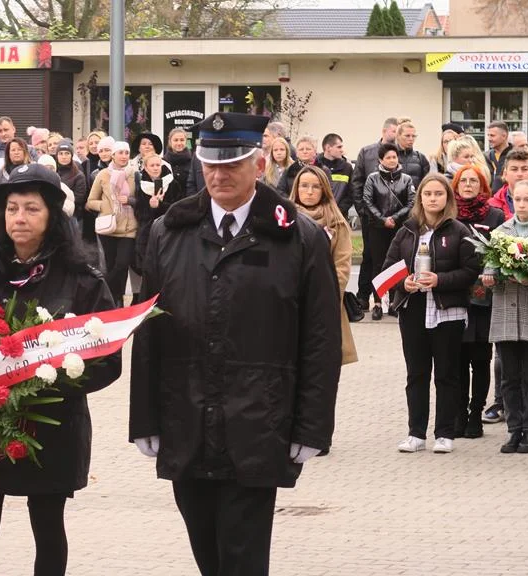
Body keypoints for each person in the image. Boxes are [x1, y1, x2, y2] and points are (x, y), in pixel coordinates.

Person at [131, 112, 340, 576]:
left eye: (233, 164)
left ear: (260, 163)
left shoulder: (297, 237)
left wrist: (312, 426)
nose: (219, 175)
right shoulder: (171, 230)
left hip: (260, 421)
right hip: (186, 416)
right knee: (207, 552)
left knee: (242, 558)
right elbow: (148, 328)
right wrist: (144, 416)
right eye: (211, 165)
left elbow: (320, 340)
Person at [0, 163, 121, 576]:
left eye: (32, 209)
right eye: (12, 209)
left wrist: (50, 381)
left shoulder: (83, 280)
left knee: (47, 524)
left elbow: (108, 360)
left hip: (53, 425)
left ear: (53, 217)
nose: (19, 218)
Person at [383, 174, 480, 454]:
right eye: (428, 194)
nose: (433, 198)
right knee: (417, 374)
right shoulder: (407, 231)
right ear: (420, 198)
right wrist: (404, 283)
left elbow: (470, 271)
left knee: (447, 375)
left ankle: (445, 434)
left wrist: (440, 280)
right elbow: (389, 267)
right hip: (413, 310)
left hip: (446, 312)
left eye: (439, 193)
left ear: (447, 198)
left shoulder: (459, 231)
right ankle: (416, 434)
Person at [481, 180, 528, 454]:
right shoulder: (500, 232)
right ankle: (513, 430)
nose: (521, 204)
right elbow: (490, 267)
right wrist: (488, 278)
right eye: (517, 199)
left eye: (527, 200)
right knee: (508, 376)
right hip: (506, 312)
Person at [452, 165, 505, 439]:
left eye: (474, 181)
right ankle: (459, 413)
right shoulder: (449, 215)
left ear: (483, 186)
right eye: (464, 181)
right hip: (454, 296)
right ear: (456, 185)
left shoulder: (494, 215)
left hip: (482, 299)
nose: (469, 185)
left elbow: (497, 253)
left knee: (480, 358)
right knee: (457, 359)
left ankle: (476, 414)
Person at [290, 165, 358, 370]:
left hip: (323, 306)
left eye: (315, 187)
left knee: (320, 373)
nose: (309, 192)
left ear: (324, 190)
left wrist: (320, 299)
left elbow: (342, 268)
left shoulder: (337, 223)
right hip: (290, 305)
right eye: (304, 186)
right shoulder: (283, 220)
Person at [363, 143, 417, 320]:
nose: (392, 160)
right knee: (378, 264)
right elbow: (368, 201)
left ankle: (394, 302)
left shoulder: (406, 179)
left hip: (399, 227)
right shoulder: (372, 178)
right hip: (377, 228)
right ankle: (378, 303)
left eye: (394, 157)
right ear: (380, 160)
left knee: (397, 264)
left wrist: (395, 218)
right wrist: (382, 219)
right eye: (388, 157)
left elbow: (411, 202)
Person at [352, 117, 401, 311]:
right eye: (394, 132)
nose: (397, 136)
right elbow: (357, 183)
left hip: (397, 218)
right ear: (385, 131)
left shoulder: (402, 153)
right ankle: (365, 297)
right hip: (371, 218)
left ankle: (395, 299)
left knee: (396, 258)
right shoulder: (367, 152)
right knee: (371, 257)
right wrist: (363, 212)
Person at [86, 140, 138, 306]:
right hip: (108, 227)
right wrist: (105, 206)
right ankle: (116, 302)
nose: (124, 156)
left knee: (122, 265)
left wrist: (130, 200)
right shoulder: (103, 175)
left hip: (129, 228)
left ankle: (101, 291)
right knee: (111, 265)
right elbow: (90, 201)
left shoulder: (135, 174)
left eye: (126, 153)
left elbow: (141, 199)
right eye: (120, 153)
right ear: (113, 155)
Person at [133, 154, 182, 290]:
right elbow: (139, 212)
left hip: (168, 230)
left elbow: (177, 208)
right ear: (146, 168)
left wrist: (160, 205)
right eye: (152, 166)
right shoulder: (141, 185)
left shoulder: (172, 183)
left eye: (157, 165)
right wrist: (150, 206)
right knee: (147, 268)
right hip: (147, 231)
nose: (155, 168)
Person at [488, 148, 528, 219]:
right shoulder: (491, 206)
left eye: (524, 169)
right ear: (505, 174)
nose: (520, 174)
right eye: (514, 169)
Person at [317, 133, 355, 220]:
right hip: (318, 217)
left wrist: (338, 211)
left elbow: (351, 194)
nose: (342, 150)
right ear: (328, 148)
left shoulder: (347, 168)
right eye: (339, 147)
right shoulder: (316, 166)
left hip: (340, 217)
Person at [54, 139, 88, 230]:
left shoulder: (78, 175)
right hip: (54, 217)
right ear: (56, 156)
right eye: (61, 154)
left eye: (67, 153)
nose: (64, 157)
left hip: (73, 217)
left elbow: (79, 198)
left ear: (71, 155)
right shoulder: (53, 172)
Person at [395, 119, 431, 189]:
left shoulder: (421, 158)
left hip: (415, 198)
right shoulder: (390, 157)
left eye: (413, 136)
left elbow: (426, 184)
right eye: (407, 136)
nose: (411, 139)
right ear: (398, 136)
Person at [163, 127, 193, 198]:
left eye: (182, 140)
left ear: (186, 141)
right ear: (170, 142)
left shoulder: (193, 162)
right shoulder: (163, 162)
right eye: (175, 140)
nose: (179, 143)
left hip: (188, 203)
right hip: (168, 205)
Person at [486, 121, 512, 192]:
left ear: (504, 136)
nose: (489, 139)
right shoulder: (486, 156)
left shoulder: (516, 156)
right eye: (488, 135)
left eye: (492, 135)